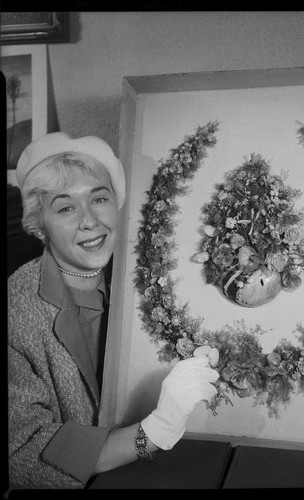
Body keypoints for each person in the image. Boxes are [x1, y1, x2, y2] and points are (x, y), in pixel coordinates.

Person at [8, 132, 219, 489]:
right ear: (39, 224)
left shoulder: (146, 278)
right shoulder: (16, 311)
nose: (90, 220)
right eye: (65, 207)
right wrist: (154, 432)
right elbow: (22, 456)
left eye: (99, 198)